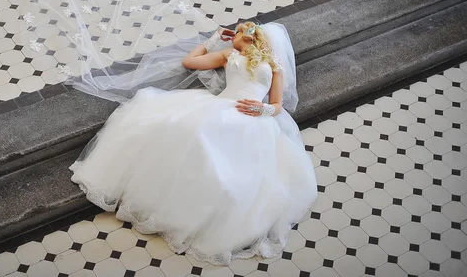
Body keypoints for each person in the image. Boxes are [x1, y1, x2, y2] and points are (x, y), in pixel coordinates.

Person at [68, 21, 318, 265]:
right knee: (192, 134)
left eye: (240, 32)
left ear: (253, 37)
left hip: (254, 118)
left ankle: (215, 214)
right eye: (236, 33)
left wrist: (262, 109)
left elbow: (277, 105)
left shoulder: (274, 65)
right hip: (221, 107)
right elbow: (190, 62)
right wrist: (213, 39)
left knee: (240, 170)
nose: (236, 36)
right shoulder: (229, 54)